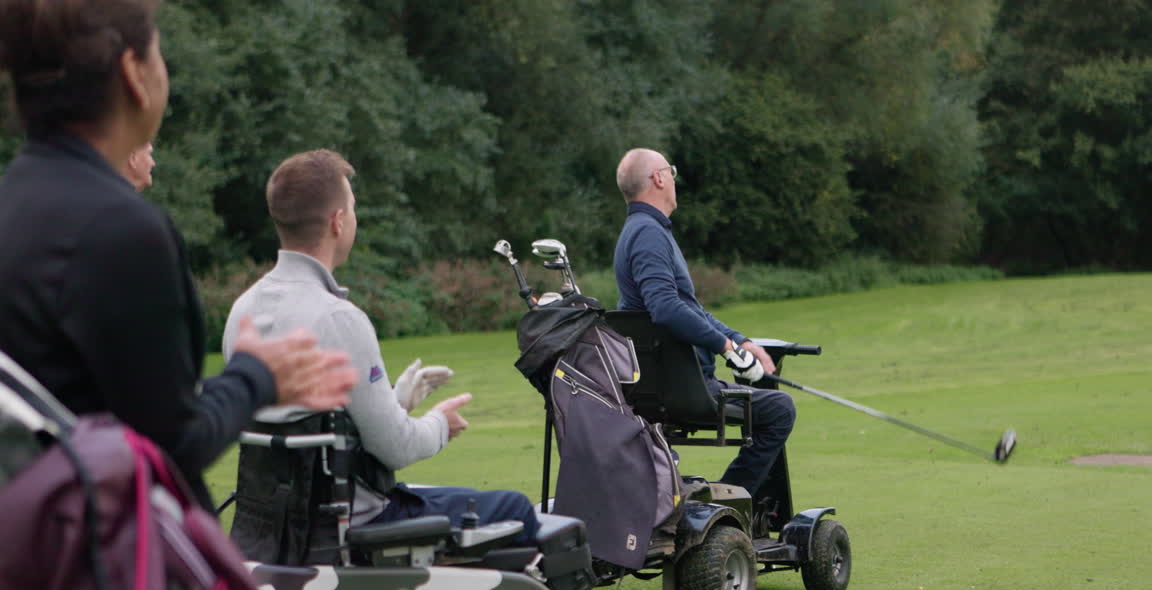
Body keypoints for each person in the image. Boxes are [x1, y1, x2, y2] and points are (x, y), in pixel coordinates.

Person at [0, 0, 357, 513]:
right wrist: (257, 376)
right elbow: (171, 443)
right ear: (133, 73)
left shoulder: (16, 203)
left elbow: (111, 416)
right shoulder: (120, 231)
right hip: (111, 576)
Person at [223, 149, 539, 544]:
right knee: (516, 509)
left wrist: (396, 400)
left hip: (266, 531)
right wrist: (440, 424)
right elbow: (395, 448)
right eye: (352, 208)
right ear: (338, 222)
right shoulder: (340, 318)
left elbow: (313, 431)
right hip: (349, 529)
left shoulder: (242, 313)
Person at [613, 147, 796, 501]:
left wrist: (739, 342)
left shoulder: (642, 230)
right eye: (672, 171)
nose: (674, 180)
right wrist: (726, 349)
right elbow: (665, 308)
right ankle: (728, 500)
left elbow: (689, 309)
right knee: (780, 409)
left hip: (671, 380)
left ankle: (721, 501)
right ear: (659, 178)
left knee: (769, 403)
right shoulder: (648, 234)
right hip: (683, 387)